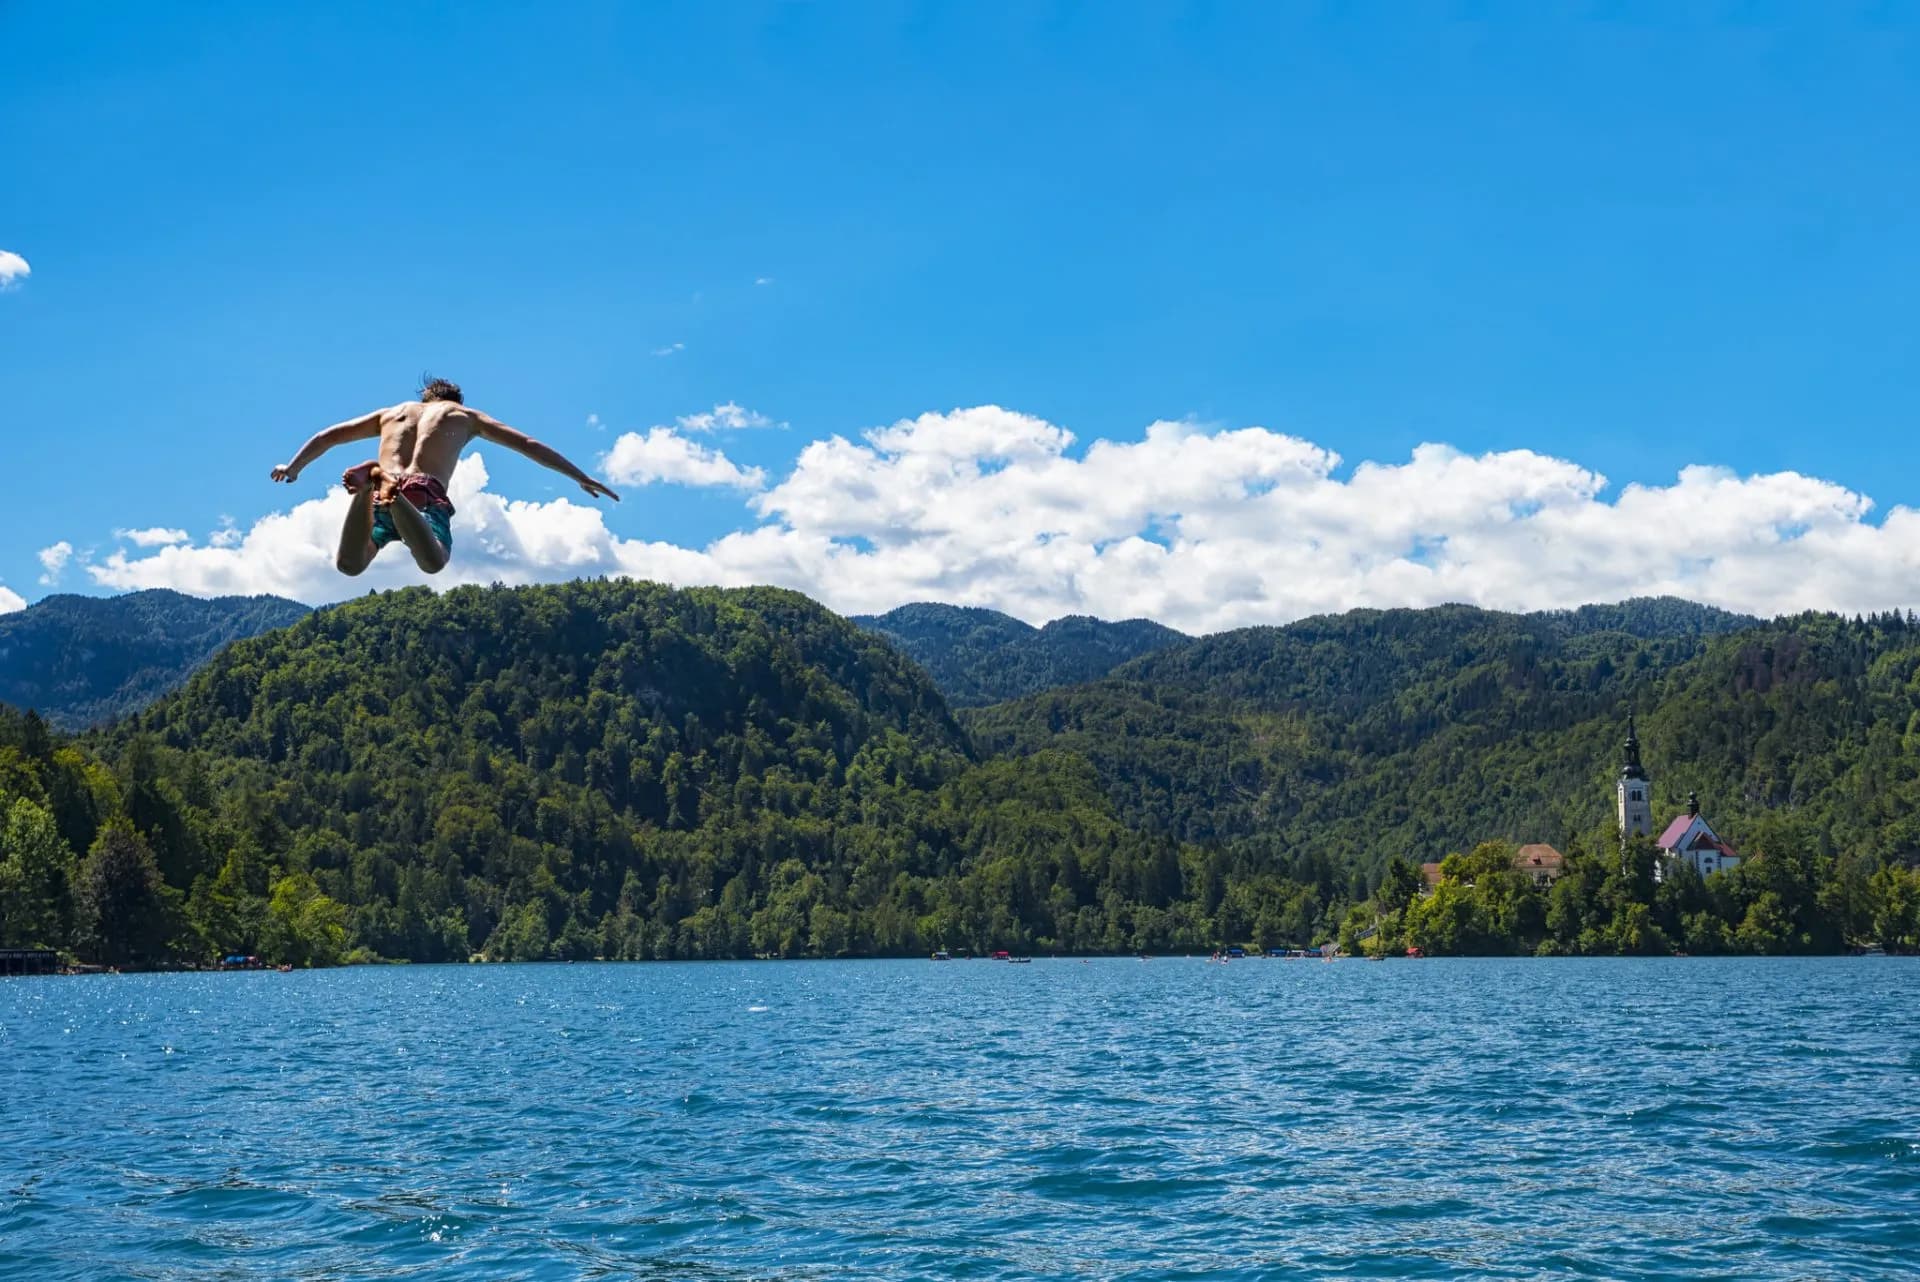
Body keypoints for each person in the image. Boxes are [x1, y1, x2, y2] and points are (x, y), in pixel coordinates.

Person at [270, 377, 620, 576]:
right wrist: (580, 476)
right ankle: (387, 488)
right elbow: (528, 445)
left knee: (350, 565)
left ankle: (370, 486)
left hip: (381, 496)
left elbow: (328, 436)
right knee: (434, 561)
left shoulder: (391, 414)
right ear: (453, 399)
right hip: (422, 493)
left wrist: (294, 466)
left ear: (424, 397)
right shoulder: (463, 416)